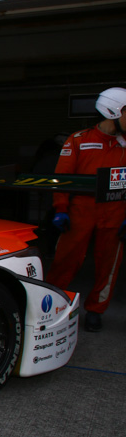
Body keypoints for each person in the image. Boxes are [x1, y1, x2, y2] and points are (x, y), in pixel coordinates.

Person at [47, 87, 126, 333]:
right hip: (79, 211)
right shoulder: (78, 140)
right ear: (113, 111)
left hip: (116, 212)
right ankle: (51, 306)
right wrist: (61, 209)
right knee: (65, 261)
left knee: (108, 266)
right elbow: (61, 177)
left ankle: (95, 311)